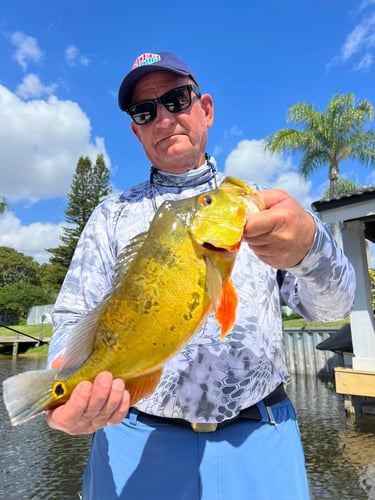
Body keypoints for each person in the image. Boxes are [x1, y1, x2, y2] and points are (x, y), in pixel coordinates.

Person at [46, 51, 356, 499]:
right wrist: (64, 401)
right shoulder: (109, 215)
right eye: (145, 110)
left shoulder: (258, 204)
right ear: (136, 131)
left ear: (205, 109)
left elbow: (336, 306)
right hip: (135, 439)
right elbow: (73, 317)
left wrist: (311, 247)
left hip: (261, 436)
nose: (164, 117)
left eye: (176, 98)